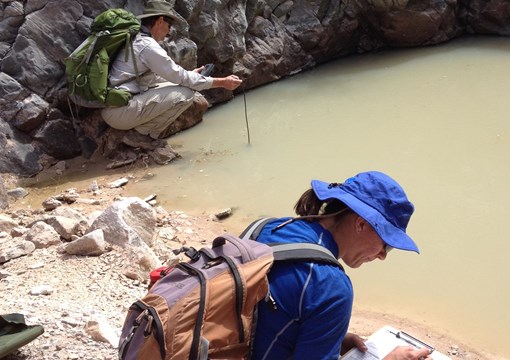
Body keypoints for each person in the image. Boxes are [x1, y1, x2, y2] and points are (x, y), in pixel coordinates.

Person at [251, 171, 433, 360]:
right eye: (386, 244)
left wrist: (331, 338)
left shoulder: (267, 227)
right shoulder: (329, 285)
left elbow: (267, 318)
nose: (382, 256)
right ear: (361, 224)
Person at [101, 0, 242, 139]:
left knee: (181, 84)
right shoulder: (148, 46)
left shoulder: (137, 40)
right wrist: (222, 82)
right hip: (119, 113)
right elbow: (179, 76)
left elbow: (158, 77)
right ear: (160, 21)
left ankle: (142, 133)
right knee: (185, 94)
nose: (169, 32)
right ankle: (143, 136)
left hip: (116, 106)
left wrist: (190, 75)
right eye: (169, 25)